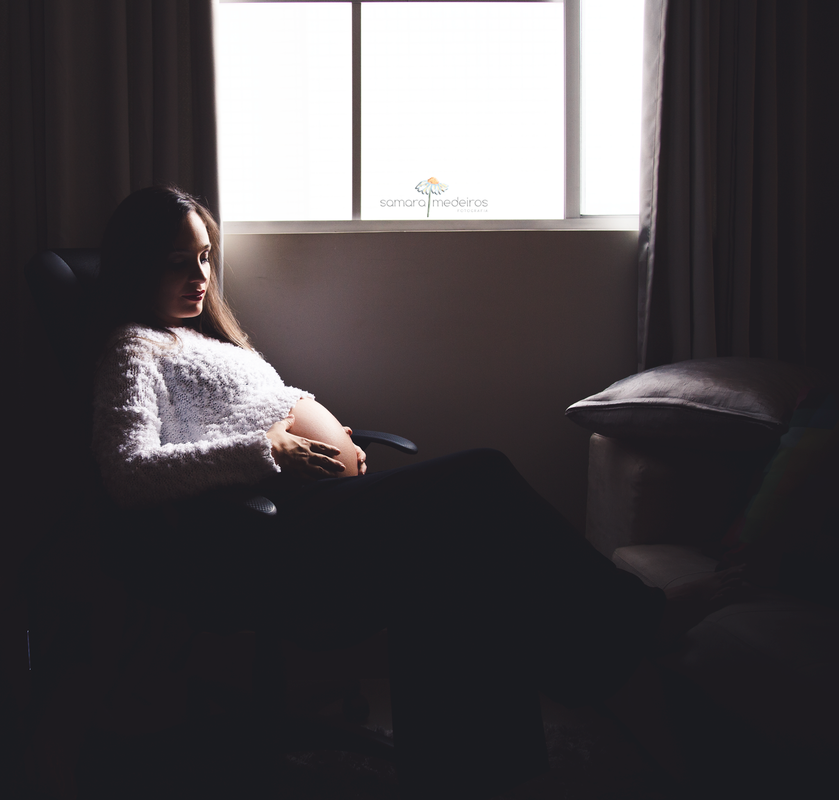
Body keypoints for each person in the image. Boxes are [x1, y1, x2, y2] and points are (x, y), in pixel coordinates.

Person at [88, 185, 748, 798]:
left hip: (313, 512)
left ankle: (484, 765)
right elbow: (129, 470)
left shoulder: (202, 337)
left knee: (461, 561)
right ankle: (632, 625)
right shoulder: (135, 350)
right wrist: (269, 449)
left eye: (205, 257)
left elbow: (275, 401)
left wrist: (323, 431)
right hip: (258, 536)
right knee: (481, 479)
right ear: (137, 265)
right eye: (179, 261)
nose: (200, 277)